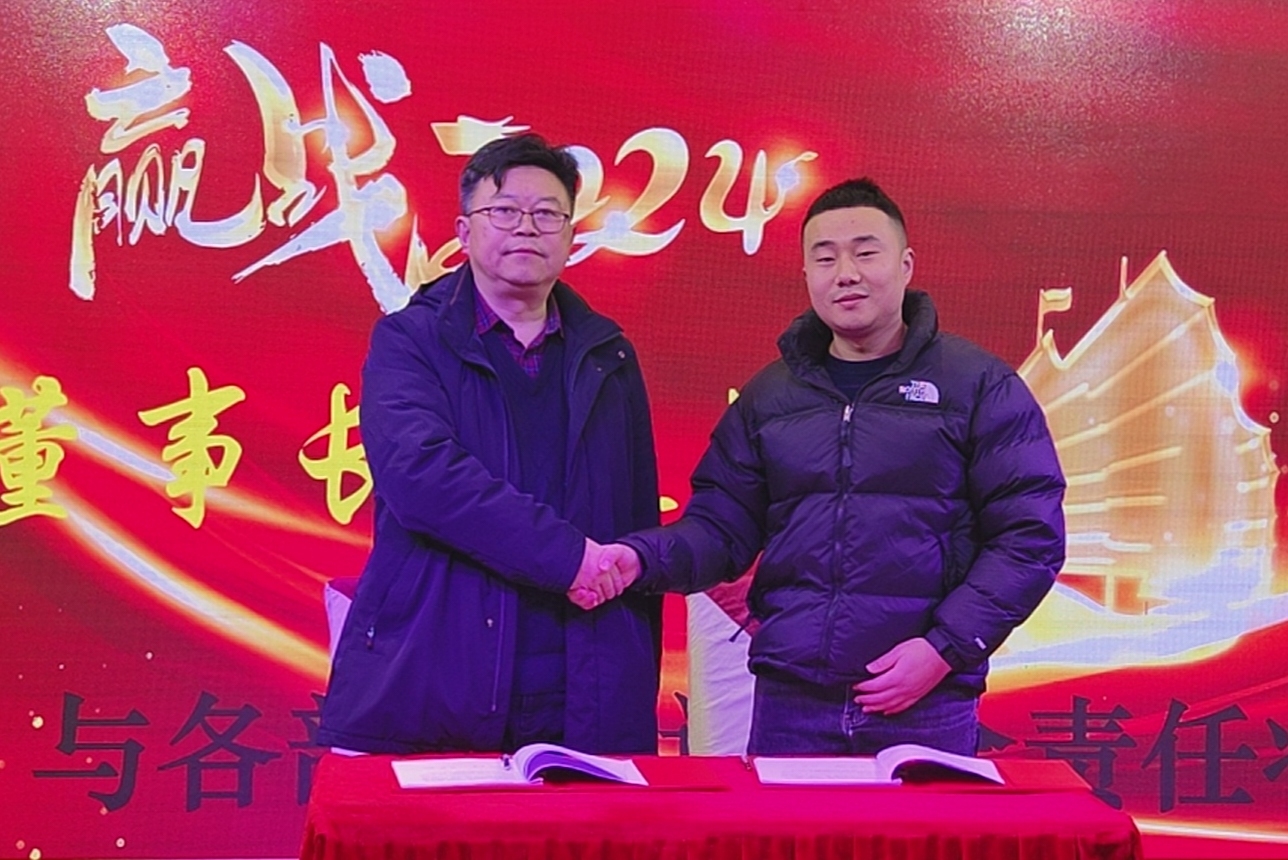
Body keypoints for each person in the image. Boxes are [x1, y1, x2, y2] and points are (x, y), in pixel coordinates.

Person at [601, 177, 1066, 756]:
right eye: (825, 258)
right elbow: (720, 530)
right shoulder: (769, 398)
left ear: (905, 265)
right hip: (792, 701)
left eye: (865, 253)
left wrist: (944, 649)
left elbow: (1029, 538)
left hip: (924, 701)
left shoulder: (978, 385)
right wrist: (639, 557)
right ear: (807, 275)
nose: (845, 273)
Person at [317, 133, 661, 755]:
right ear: (464, 230)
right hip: (438, 669)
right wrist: (569, 559)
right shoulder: (409, 341)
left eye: (548, 213)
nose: (526, 227)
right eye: (504, 211)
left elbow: (634, 510)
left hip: (580, 678)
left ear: (570, 234)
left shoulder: (608, 355)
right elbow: (423, 478)